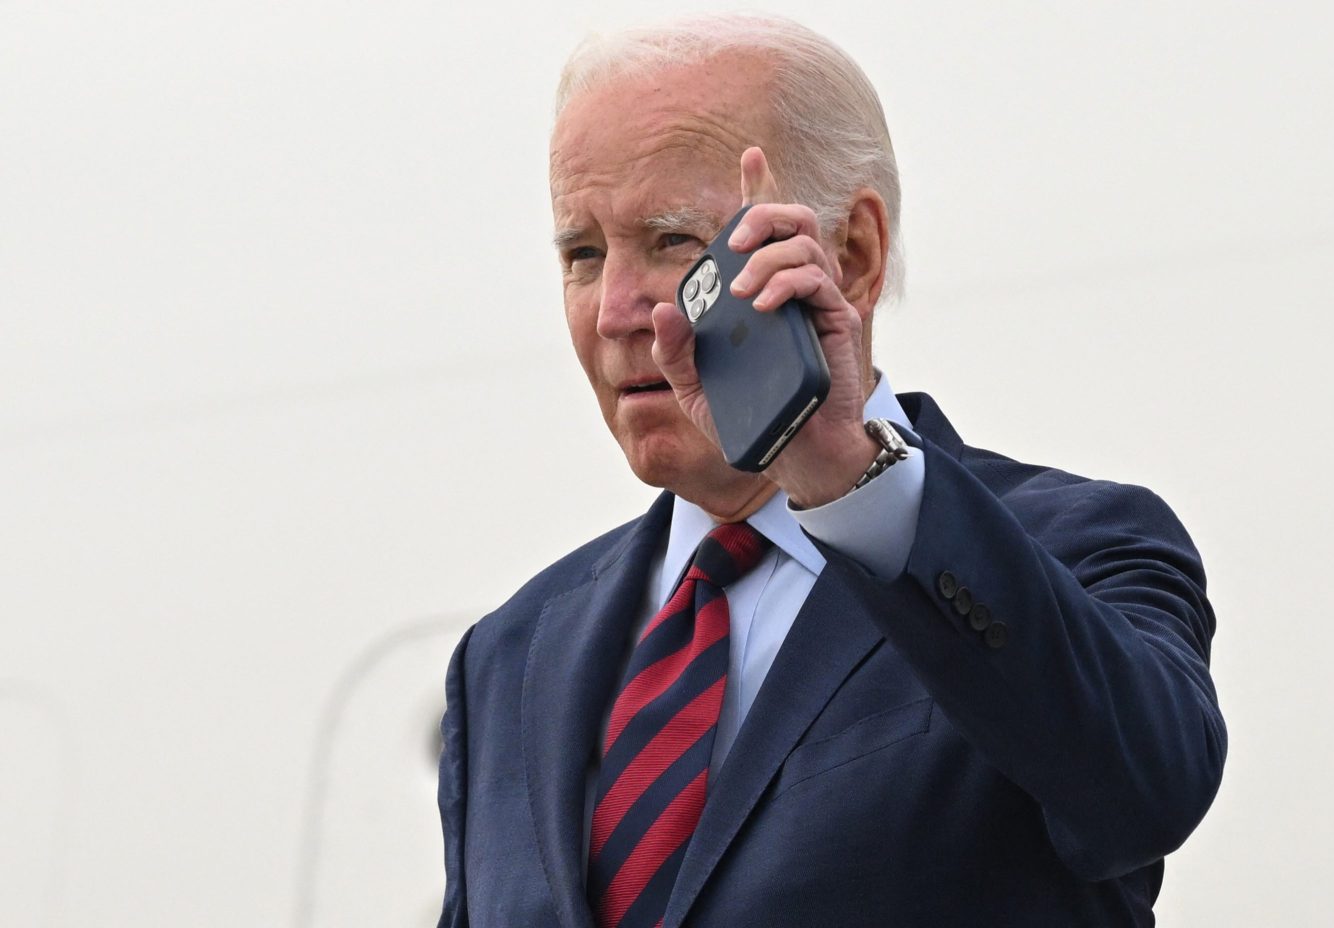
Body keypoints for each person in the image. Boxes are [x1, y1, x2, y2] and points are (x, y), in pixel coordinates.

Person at [437, 13, 1225, 928]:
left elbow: (1146, 791)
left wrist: (850, 479)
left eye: (674, 244)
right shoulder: (512, 654)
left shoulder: (1073, 550)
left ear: (850, 255)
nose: (616, 309)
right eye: (582, 254)